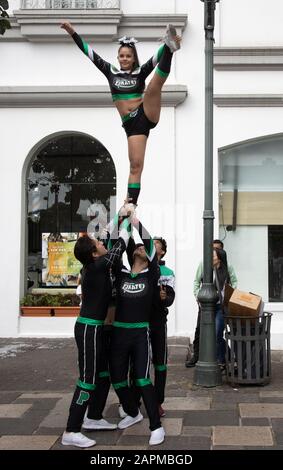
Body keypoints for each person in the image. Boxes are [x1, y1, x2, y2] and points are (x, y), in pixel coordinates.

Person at [60, 21, 181, 205]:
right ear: (118, 57)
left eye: (128, 56)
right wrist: (72, 32)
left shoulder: (140, 72)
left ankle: (171, 50)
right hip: (132, 125)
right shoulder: (110, 71)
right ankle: (131, 203)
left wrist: (166, 45)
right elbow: (89, 53)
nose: (124, 58)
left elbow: (155, 59)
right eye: (122, 55)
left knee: (153, 88)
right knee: (135, 166)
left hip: (146, 112)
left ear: (133, 58)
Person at [61, 213, 131, 448]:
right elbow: (120, 245)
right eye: (98, 244)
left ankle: (93, 417)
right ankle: (71, 430)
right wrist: (129, 221)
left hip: (96, 329)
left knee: (102, 375)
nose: (102, 243)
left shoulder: (94, 264)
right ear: (93, 253)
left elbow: (106, 236)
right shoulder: (97, 266)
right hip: (89, 330)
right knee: (87, 379)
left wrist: (120, 215)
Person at [109, 214, 165, 446]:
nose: (141, 247)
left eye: (144, 248)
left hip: (141, 334)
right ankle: (133, 412)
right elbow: (112, 244)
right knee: (118, 380)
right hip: (119, 333)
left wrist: (134, 220)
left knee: (142, 380)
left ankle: (156, 427)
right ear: (132, 253)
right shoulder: (120, 273)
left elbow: (149, 241)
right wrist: (119, 218)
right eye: (137, 246)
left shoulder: (152, 274)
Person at [186, 239, 237, 368]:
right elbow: (196, 281)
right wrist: (198, 295)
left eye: (214, 254)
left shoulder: (227, 267)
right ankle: (218, 357)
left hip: (220, 305)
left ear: (219, 257)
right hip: (206, 304)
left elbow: (234, 282)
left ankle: (221, 360)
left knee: (217, 332)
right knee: (202, 332)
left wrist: (230, 296)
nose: (210, 257)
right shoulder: (204, 264)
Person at [150, 236, 175, 418]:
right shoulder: (138, 268)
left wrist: (163, 298)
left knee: (160, 363)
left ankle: (158, 402)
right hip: (139, 322)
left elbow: (170, 299)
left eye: (155, 244)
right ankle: (133, 401)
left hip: (158, 322)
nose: (151, 245)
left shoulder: (167, 272)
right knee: (136, 364)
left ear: (162, 252)